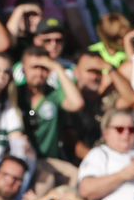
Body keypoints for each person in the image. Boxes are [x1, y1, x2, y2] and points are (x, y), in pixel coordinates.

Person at [18, 46, 85, 184]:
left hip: (48, 160)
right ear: (23, 68)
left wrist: (57, 67)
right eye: (34, 67)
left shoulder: (53, 94)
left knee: (78, 178)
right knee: (46, 181)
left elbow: (77, 103)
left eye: (44, 68)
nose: (39, 73)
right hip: (19, 159)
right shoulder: (15, 94)